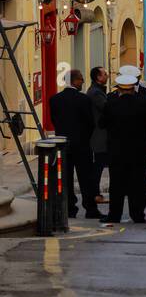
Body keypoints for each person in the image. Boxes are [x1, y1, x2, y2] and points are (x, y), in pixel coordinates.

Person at [98, 75, 146, 226]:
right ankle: (138, 214)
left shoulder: (111, 104)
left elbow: (102, 124)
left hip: (117, 150)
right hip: (138, 150)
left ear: (120, 88)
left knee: (117, 183)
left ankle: (114, 214)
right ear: (133, 88)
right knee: (138, 183)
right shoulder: (143, 103)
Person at [49, 69, 99, 219]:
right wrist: (85, 137)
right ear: (75, 81)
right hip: (82, 144)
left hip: (62, 144)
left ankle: (69, 208)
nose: (83, 82)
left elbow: (54, 120)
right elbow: (90, 122)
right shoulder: (83, 99)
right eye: (81, 79)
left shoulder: (54, 99)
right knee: (86, 178)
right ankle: (90, 208)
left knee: (65, 178)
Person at [86, 66, 109, 205]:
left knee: (99, 166)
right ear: (98, 78)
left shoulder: (96, 91)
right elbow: (106, 109)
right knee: (98, 167)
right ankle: (94, 194)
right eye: (104, 74)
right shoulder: (96, 93)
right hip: (99, 136)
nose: (107, 75)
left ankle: (95, 193)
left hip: (99, 134)